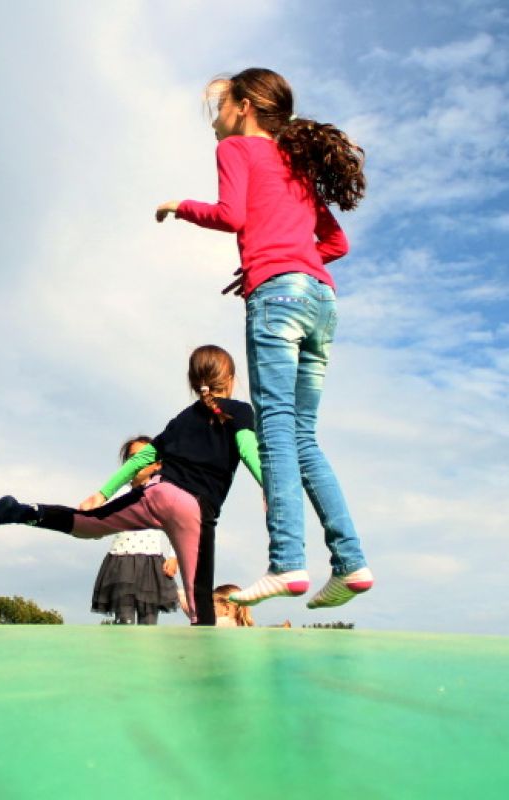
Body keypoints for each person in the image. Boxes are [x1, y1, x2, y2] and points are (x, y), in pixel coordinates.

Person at [155, 67, 373, 610]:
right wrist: (284, 261)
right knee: (303, 437)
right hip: (320, 300)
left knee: (274, 426)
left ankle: (287, 564)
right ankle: (351, 563)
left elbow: (231, 215)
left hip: (277, 299)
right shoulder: (293, 165)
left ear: (245, 106)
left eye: (221, 107)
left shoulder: (239, 151)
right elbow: (336, 243)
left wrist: (178, 207)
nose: (216, 120)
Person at [0, 345, 262, 626]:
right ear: (231, 379)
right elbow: (248, 450)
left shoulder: (183, 417)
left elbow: (143, 457)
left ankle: (21, 511)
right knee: (200, 600)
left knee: (86, 524)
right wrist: (271, 490)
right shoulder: (240, 411)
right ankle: (206, 671)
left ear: (193, 381)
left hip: (156, 493)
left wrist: (102, 493)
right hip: (192, 509)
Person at [90, 436, 181, 625]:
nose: (138, 462)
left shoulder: (161, 492)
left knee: (148, 620)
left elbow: (175, 526)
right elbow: (101, 518)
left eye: (144, 457)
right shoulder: (117, 491)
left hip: (152, 560)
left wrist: (174, 557)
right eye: (132, 457)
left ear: (157, 464)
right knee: (125, 619)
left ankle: (147, 652)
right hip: (121, 560)